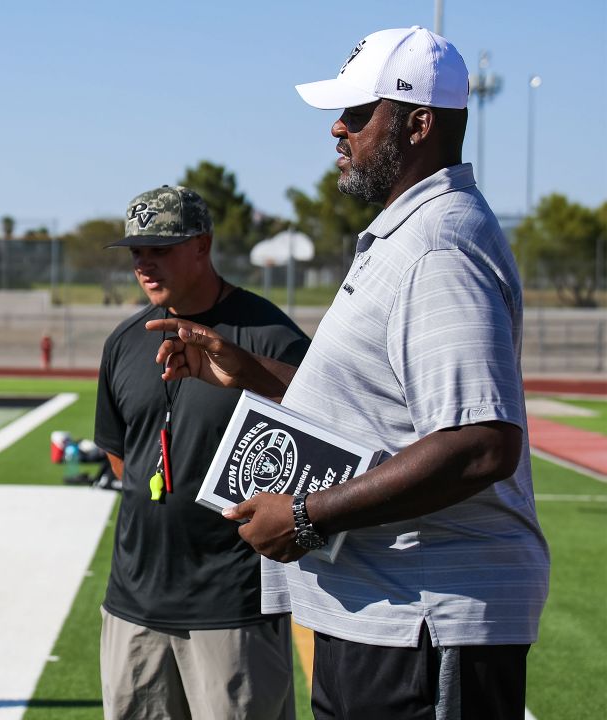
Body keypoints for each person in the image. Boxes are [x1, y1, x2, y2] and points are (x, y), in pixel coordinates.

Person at [148, 26, 549, 720]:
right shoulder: (410, 232)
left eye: (360, 115)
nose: (338, 128)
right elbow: (378, 411)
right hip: (387, 614)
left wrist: (304, 515)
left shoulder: (437, 247)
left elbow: (482, 442)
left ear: (419, 124)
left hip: (426, 621)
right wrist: (252, 374)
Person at [95, 185, 311, 719]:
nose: (144, 264)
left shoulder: (270, 339)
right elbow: (121, 455)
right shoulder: (126, 340)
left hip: (233, 607)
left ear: (202, 245)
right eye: (136, 252)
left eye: (159, 249)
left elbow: (316, 455)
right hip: (135, 604)